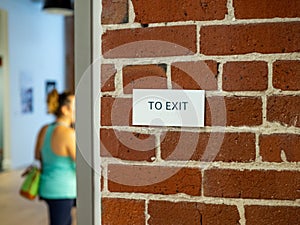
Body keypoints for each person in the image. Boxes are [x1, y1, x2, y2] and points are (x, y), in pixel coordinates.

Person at [34, 89, 76, 225]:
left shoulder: (44, 129)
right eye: (76, 106)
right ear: (65, 109)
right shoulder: (68, 133)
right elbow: (81, 164)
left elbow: (37, 156)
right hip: (63, 190)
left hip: (47, 187)